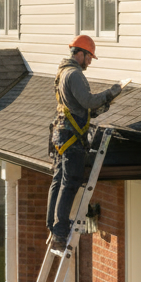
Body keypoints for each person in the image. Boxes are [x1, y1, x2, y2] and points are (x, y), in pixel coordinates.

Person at [46, 35, 121, 249]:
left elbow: (81, 108)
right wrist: (110, 93)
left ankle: (53, 225)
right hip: (71, 137)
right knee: (70, 182)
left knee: (59, 180)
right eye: (89, 57)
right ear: (80, 53)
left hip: (62, 134)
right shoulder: (75, 74)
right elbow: (87, 101)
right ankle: (60, 232)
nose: (89, 61)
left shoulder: (63, 72)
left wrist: (103, 105)